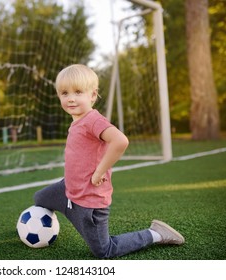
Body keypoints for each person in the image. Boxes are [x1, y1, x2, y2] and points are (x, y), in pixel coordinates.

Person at [34, 64, 184, 258]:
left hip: (89, 203)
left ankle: (155, 234)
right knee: (39, 199)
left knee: (104, 251)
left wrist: (99, 172)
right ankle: (39, 228)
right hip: (67, 190)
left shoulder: (92, 120)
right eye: (64, 93)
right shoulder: (77, 120)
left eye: (78, 92)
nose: (70, 98)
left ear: (93, 95)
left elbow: (120, 141)